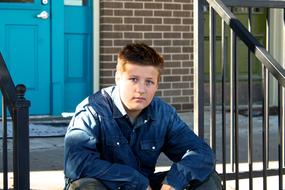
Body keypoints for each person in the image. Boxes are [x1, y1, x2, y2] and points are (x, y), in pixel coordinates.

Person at [64, 43, 221, 190]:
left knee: (207, 177)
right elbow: (77, 163)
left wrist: (174, 180)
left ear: (157, 85)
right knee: (85, 186)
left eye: (149, 82)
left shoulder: (163, 113)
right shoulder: (92, 110)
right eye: (133, 79)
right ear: (118, 78)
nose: (141, 89)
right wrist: (135, 181)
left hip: (145, 184)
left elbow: (201, 152)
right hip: (109, 184)